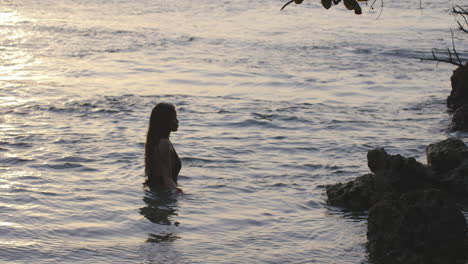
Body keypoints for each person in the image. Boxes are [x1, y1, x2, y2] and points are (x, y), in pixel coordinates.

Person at [145, 102, 182, 193]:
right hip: (162, 194)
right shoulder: (163, 143)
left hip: (158, 192)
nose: (177, 121)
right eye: (174, 118)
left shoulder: (158, 141)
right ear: (166, 121)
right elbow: (167, 179)